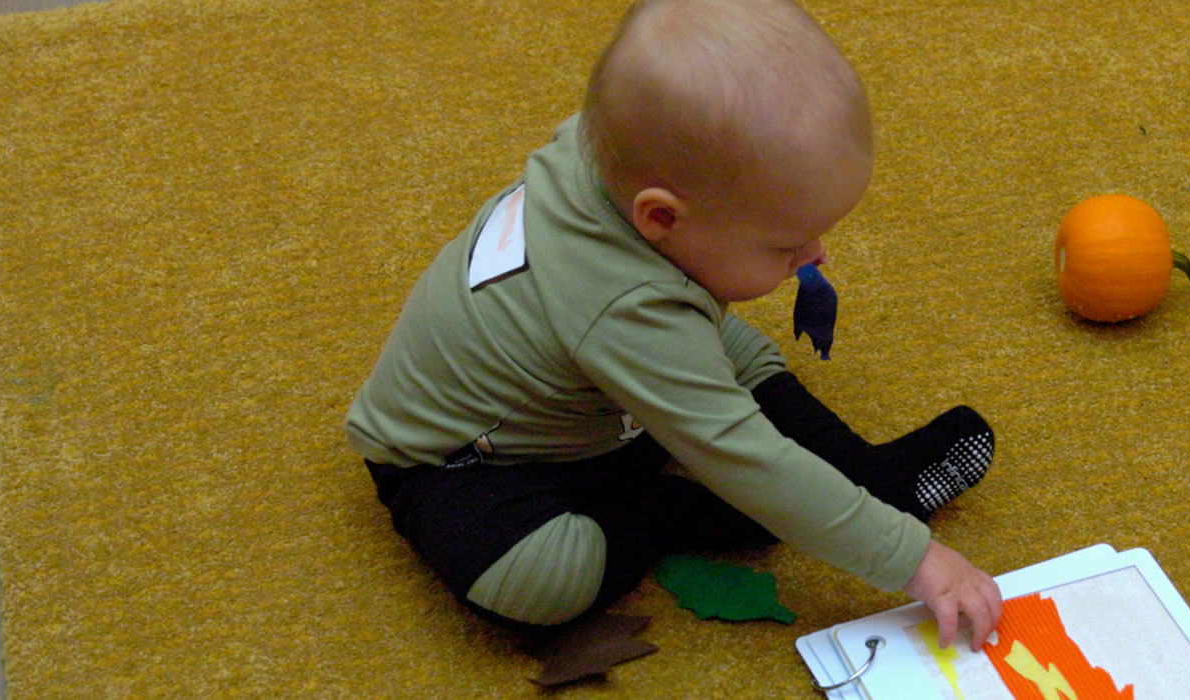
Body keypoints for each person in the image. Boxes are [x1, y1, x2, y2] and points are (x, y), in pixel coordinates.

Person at [345, 0, 1004, 649]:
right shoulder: (622, 304)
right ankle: (674, 511)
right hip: (464, 466)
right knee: (538, 582)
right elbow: (742, 452)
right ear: (659, 217)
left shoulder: (609, 152)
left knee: (726, 348)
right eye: (785, 246)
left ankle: (866, 474)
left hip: (584, 388)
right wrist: (915, 560)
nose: (816, 258)